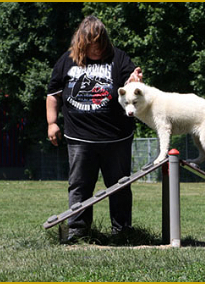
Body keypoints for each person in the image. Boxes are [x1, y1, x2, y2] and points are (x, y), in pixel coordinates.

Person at [46, 15, 143, 242]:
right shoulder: (66, 60)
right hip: (79, 139)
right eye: (92, 45)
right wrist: (52, 123)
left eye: (100, 44)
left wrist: (133, 80)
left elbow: (131, 85)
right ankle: (78, 232)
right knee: (79, 186)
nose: (97, 49)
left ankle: (122, 232)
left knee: (119, 187)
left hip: (115, 138)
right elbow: (53, 95)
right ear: (82, 42)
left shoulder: (118, 58)